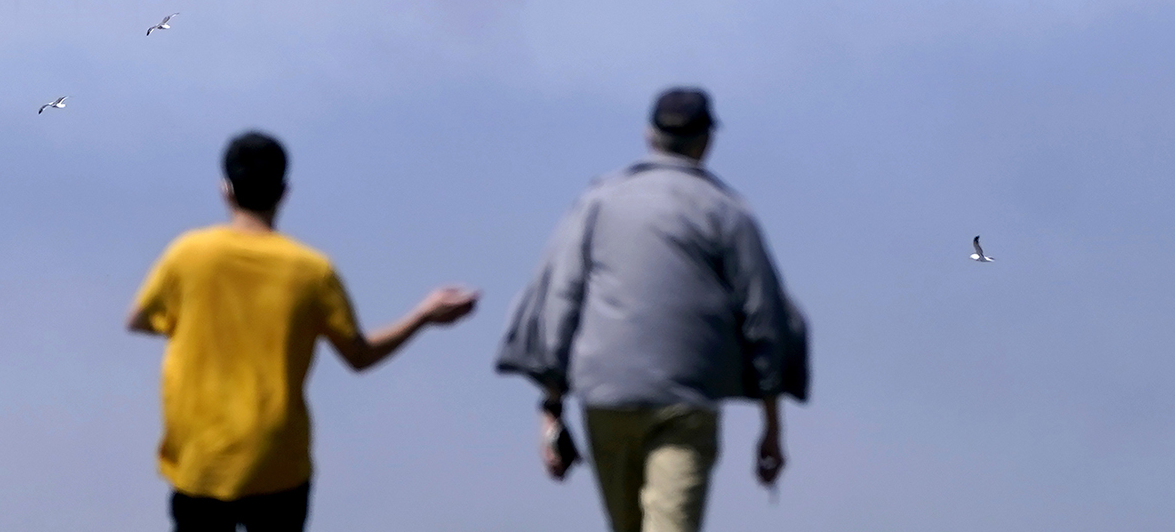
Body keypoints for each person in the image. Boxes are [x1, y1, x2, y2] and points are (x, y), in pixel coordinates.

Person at [128, 131, 479, 532]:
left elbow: (138, 320)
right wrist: (423, 315)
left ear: (225, 190)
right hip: (278, 459)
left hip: (200, 455)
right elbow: (359, 356)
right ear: (283, 192)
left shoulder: (188, 256)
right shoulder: (310, 271)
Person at [496, 88, 808, 532]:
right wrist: (772, 425)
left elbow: (560, 299)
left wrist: (550, 409)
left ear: (649, 136)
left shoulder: (597, 203)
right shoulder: (727, 211)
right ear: (707, 141)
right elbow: (764, 316)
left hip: (605, 394)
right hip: (685, 401)